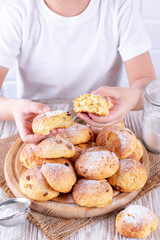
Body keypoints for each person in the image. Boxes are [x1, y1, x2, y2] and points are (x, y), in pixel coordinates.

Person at [0, 0, 156, 143]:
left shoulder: (119, 5)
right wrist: (13, 108)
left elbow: (147, 85)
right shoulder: (17, 9)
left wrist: (134, 98)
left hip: (101, 127)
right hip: (35, 122)